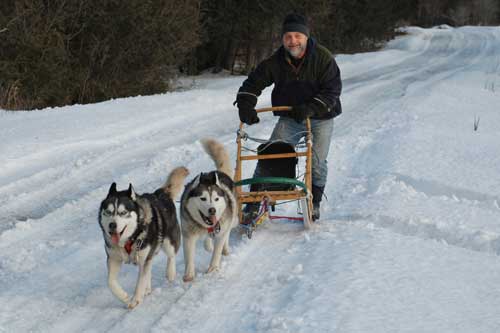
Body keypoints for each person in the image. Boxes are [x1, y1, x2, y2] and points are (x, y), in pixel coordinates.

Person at [235, 13, 342, 221]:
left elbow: (332, 90)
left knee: (317, 161)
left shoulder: (322, 57)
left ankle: (315, 202)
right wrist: (246, 103)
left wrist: (311, 107)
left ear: (305, 37)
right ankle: (254, 202)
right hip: (291, 118)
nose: (292, 41)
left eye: (297, 36)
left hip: (321, 117)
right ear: (282, 39)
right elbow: (253, 83)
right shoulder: (276, 61)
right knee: (273, 153)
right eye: (288, 37)